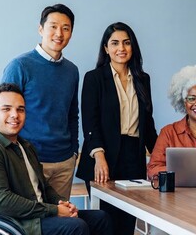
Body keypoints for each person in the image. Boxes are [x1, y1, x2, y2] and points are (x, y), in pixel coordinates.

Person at [0, 83, 112, 235]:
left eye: (20, 109)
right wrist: (54, 210)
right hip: (12, 224)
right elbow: (2, 202)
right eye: (6, 109)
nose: (15, 115)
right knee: (76, 226)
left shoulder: (26, 146)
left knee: (100, 218)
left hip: (37, 217)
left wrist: (62, 204)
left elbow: (44, 187)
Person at [75, 22, 158, 235]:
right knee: (106, 223)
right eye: (115, 43)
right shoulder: (94, 78)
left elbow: (147, 124)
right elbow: (90, 122)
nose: (121, 48)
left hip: (133, 159)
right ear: (106, 48)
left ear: (133, 47)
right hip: (103, 157)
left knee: (126, 224)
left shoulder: (142, 79)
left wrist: (161, 158)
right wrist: (99, 157)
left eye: (126, 43)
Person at [1, 4, 78, 200]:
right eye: (53, 26)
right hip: (29, 159)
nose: (59, 33)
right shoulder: (20, 66)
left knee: (62, 224)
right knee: (33, 224)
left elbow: (72, 114)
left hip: (64, 161)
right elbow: (5, 115)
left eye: (66, 28)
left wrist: (74, 152)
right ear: (41, 29)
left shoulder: (72, 71)